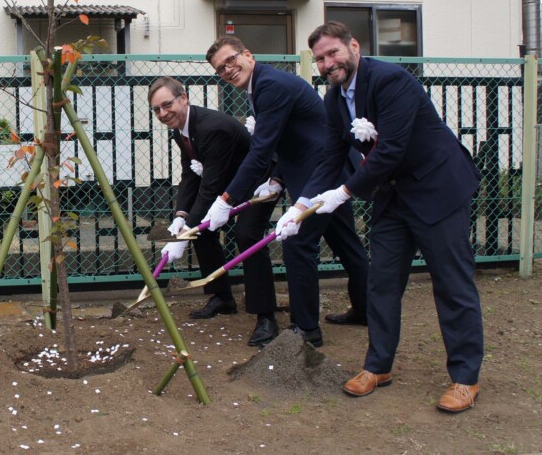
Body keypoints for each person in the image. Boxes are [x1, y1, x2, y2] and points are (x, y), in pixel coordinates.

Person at [290, 21, 483, 413]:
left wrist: (343, 193)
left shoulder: (391, 81)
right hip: (393, 195)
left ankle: (465, 377)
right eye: (321, 58)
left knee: (452, 284)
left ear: (353, 46)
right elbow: (331, 154)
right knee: (381, 283)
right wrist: (301, 204)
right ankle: (378, 366)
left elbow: (391, 148)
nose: (328, 63)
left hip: (437, 189)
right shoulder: (333, 97)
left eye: (333, 53)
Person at [205, 35, 370, 348]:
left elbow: (261, 150)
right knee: (345, 242)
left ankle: (306, 329)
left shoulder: (271, 85)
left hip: (322, 174)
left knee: (297, 244)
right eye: (221, 69)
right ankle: (366, 309)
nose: (228, 70)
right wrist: (278, 180)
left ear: (247, 54)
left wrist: (225, 200)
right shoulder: (262, 85)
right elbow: (292, 136)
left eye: (231, 60)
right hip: (319, 170)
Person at [148, 77, 280, 348]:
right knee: (204, 234)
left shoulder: (212, 128)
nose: (163, 113)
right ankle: (222, 297)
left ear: (183, 98)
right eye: (156, 110)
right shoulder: (181, 130)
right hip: (226, 183)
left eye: (167, 104)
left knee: (248, 236)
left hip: (259, 183)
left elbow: (210, 187)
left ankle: (266, 317)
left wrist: (183, 237)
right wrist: (181, 217)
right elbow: (190, 175)